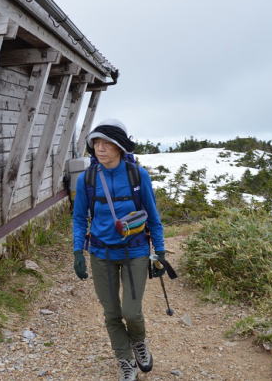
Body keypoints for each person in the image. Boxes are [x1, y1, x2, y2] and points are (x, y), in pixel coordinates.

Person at [72, 119, 169, 381]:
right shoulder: (87, 179)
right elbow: (80, 217)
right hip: (101, 254)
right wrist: (77, 251)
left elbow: (152, 214)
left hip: (135, 252)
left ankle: (139, 342)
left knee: (131, 312)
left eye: (106, 144)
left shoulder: (138, 175)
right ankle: (125, 359)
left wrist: (159, 250)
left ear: (119, 147)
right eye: (96, 144)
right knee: (112, 313)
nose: (100, 149)